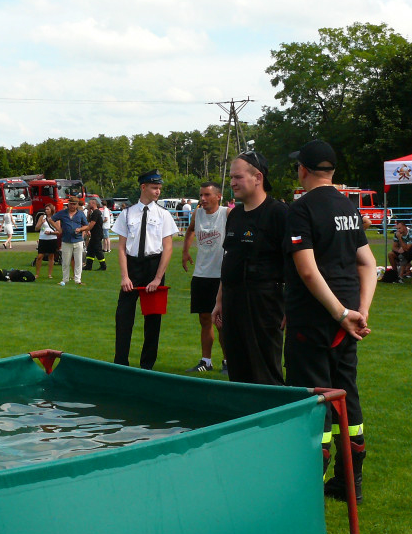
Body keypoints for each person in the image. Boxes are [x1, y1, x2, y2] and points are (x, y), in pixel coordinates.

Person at [283, 140, 376, 503]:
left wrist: (338, 312)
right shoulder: (348, 208)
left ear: (303, 170)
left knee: (313, 399)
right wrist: (359, 311)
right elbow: (367, 263)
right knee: (346, 396)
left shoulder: (301, 209)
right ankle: (350, 481)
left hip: (314, 319)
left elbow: (307, 270)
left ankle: (307, 483)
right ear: (333, 171)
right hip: (348, 321)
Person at [211, 153, 288, 384]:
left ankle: (272, 419)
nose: (232, 182)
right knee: (238, 370)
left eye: (238, 177)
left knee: (264, 370)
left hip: (264, 302)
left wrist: (290, 305)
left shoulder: (279, 213)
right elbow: (230, 258)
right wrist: (219, 300)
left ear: (258, 177)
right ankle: (244, 417)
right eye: (231, 177)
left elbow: (296, 263)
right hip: (233, 302)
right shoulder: (235, 215)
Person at [112, 170, 178, 370]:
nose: (158, 191)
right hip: (132, 266)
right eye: (154, 187)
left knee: (153, 320)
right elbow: (122, 247)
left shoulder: (164, 215)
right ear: (143, 187)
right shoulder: (127, 213)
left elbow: (167, 248)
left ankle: (147, 365)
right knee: (123, 318)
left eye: (159, 188)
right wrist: (125, 276)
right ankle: (120, 364)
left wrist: (158, 278)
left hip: (153, 266)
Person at [182, 181, 228, 373]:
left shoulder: (227, 213)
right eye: (201, 195)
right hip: (201, 274)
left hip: (221, 275)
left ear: (218, 196)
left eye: (207, 195)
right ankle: (206, 362)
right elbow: (191, 230)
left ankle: (228, 361)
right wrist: (186, 251)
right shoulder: (198, 213)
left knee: (222, 322)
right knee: (204, 318)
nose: (202, 199)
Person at [53, 196, 90, 285]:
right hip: (66, 240)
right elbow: (52, 219)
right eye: (70, 204)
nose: (72, 206)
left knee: (78, 261)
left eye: (74, 204)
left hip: (78, 240)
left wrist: (80, 229)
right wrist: (58, 228)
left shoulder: (80, 214)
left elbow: (86, 225)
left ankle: (77, 279)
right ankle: (65, 279)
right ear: (68, 204)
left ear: (77, 205)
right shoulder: (62, 213)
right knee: (65, 261)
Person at [34, 203, 58, 279]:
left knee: (51, 256)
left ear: (51, 210)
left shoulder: (55, 218)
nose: (46, 211)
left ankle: (49, 274)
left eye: (48, 209)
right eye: (45, 209)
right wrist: (42, 222)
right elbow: (36, 228)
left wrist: (51, 232)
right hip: (43, 238)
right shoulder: (42, 217)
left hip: (52, 238)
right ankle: (37, 273)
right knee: (40, 256)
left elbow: (59, 230)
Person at [83, 197, 107, 271]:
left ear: (93, 204)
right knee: (90, 249)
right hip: (94, 234)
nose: (88, 204)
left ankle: (103, 265)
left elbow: (92, 223)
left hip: (97, 234)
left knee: (98, 250)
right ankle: (88, 265)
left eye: (89, 203)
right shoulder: (93, 212)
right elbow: (88, 221)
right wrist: (89, 213)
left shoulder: (96, 212)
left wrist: (87, 230)